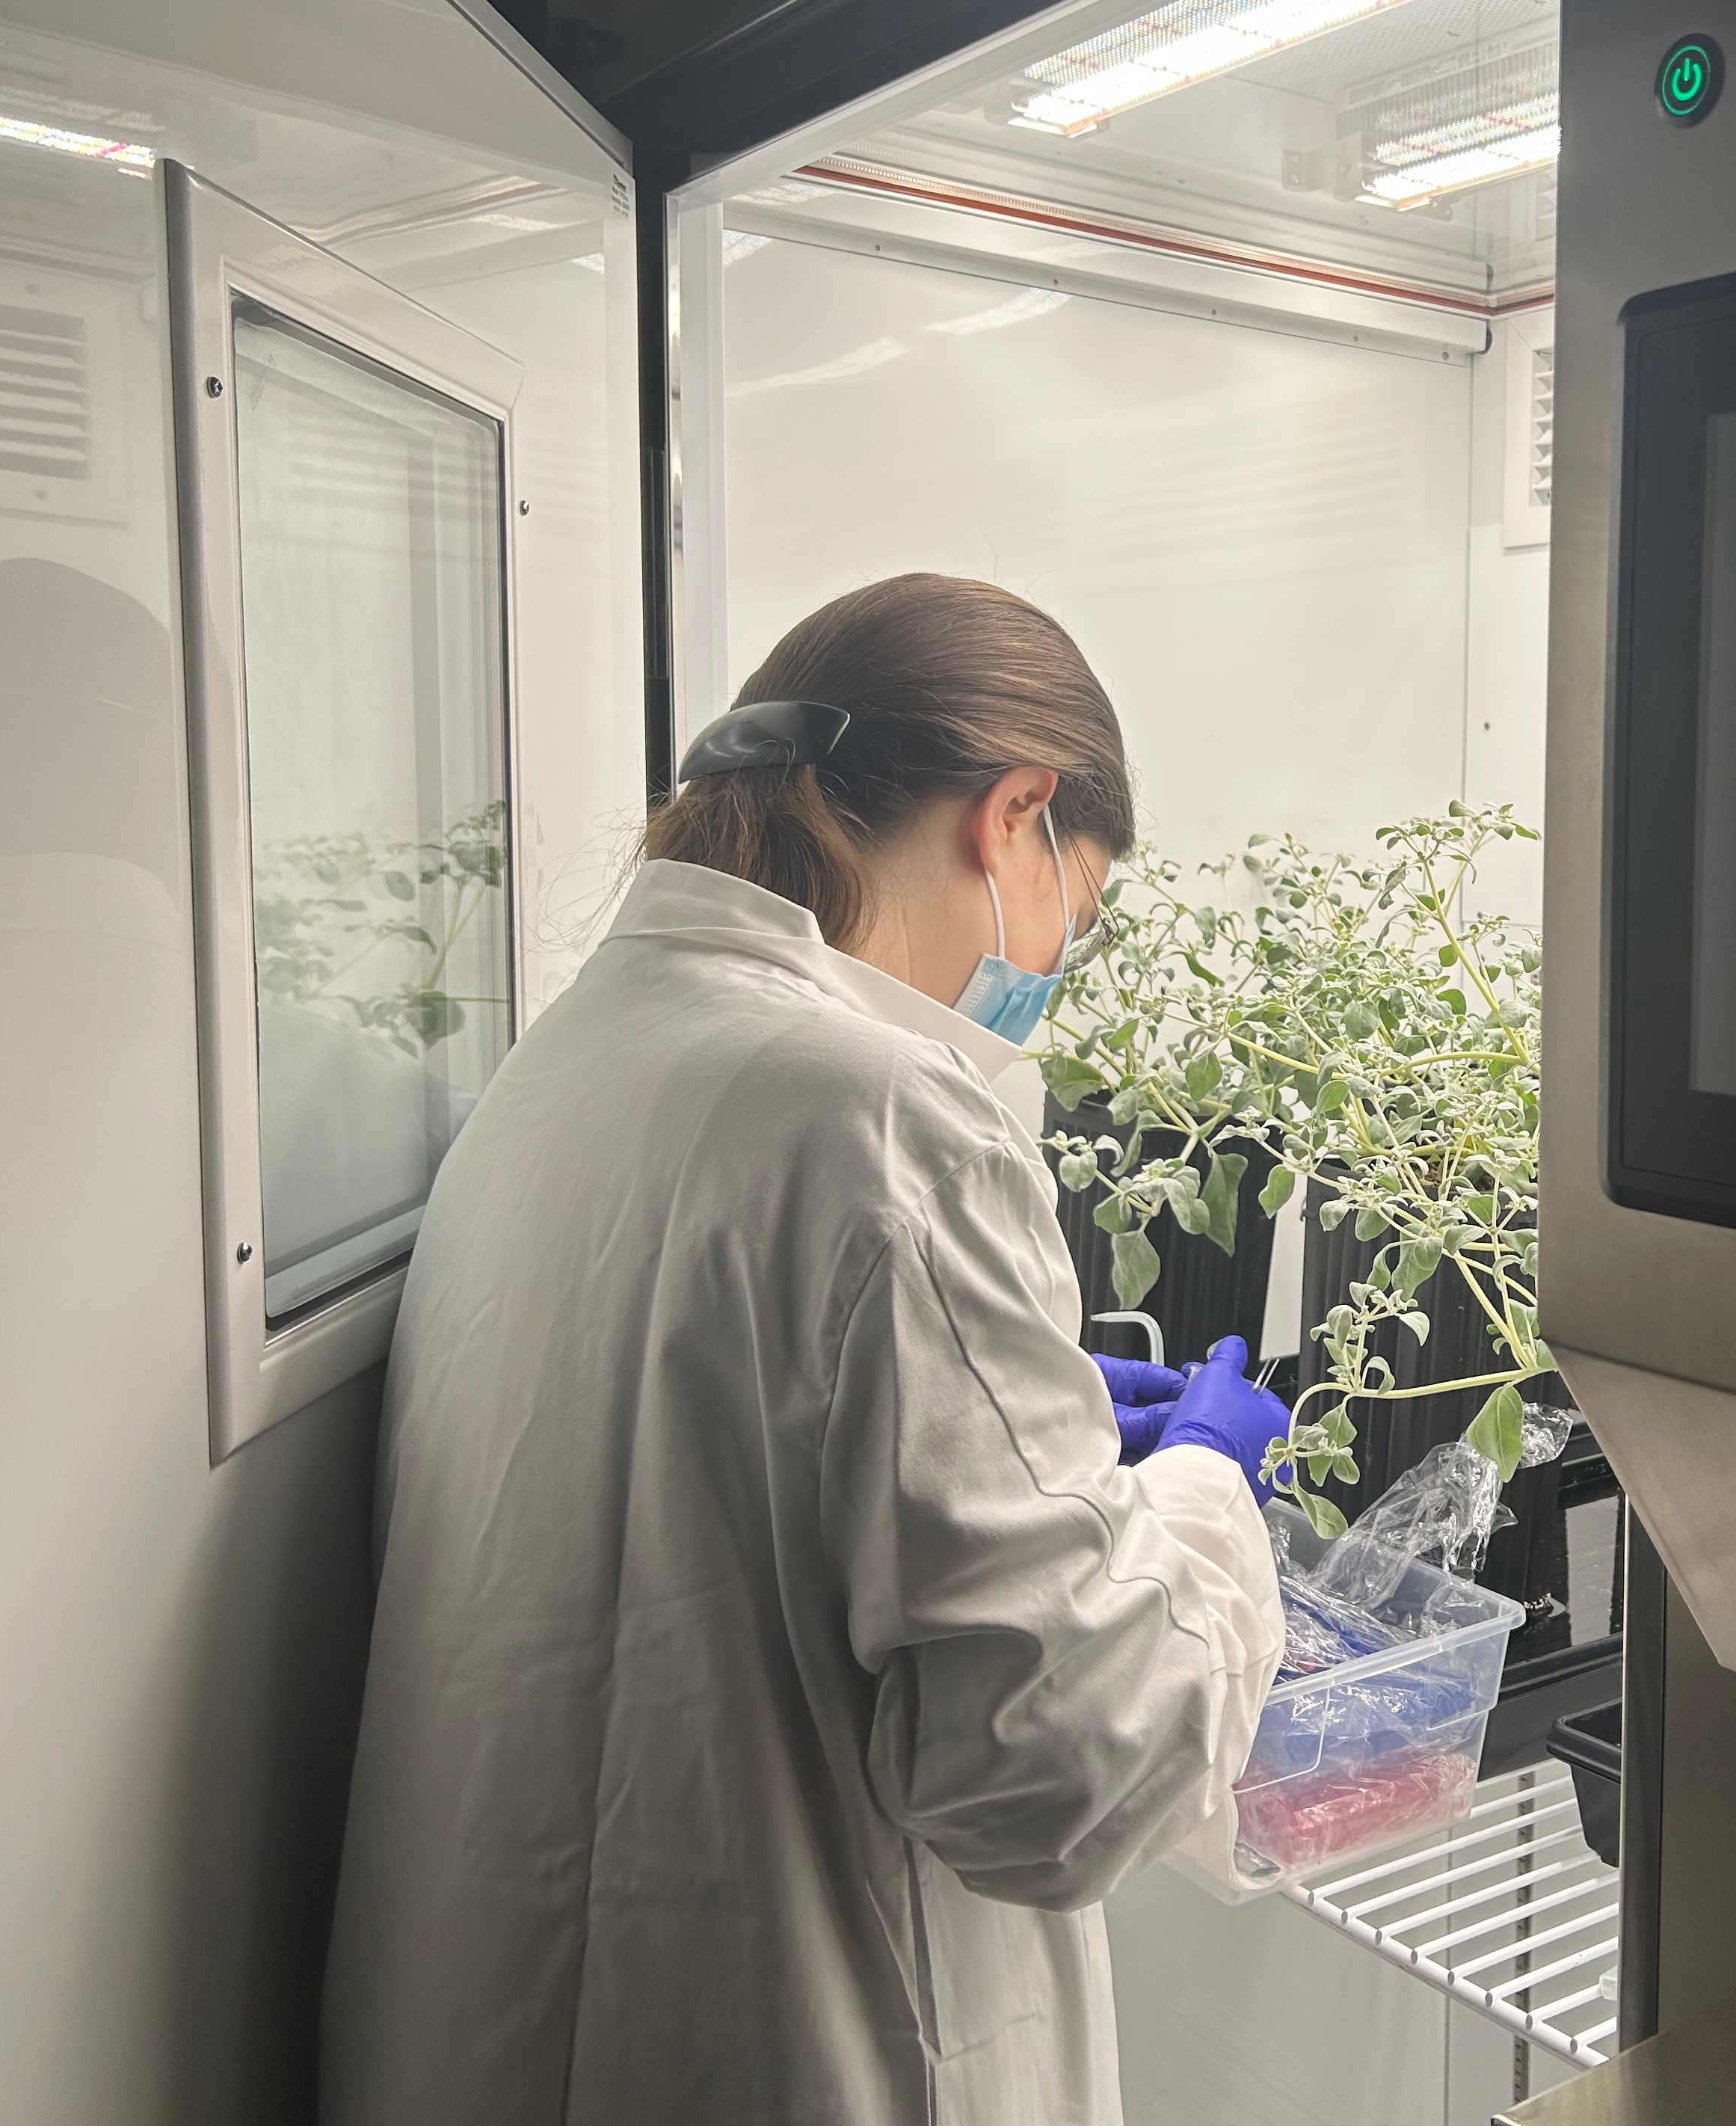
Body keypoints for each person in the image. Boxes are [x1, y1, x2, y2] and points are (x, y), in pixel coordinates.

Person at [320, 574, 1290, 2126]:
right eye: (1075, 915)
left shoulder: (570, 1061)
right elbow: (1063, 1772)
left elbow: (706, 1472)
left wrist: (1018, 1427)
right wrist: (1205, 1498)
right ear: (1014, 815)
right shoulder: (892, 1120)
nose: (1050, 973)